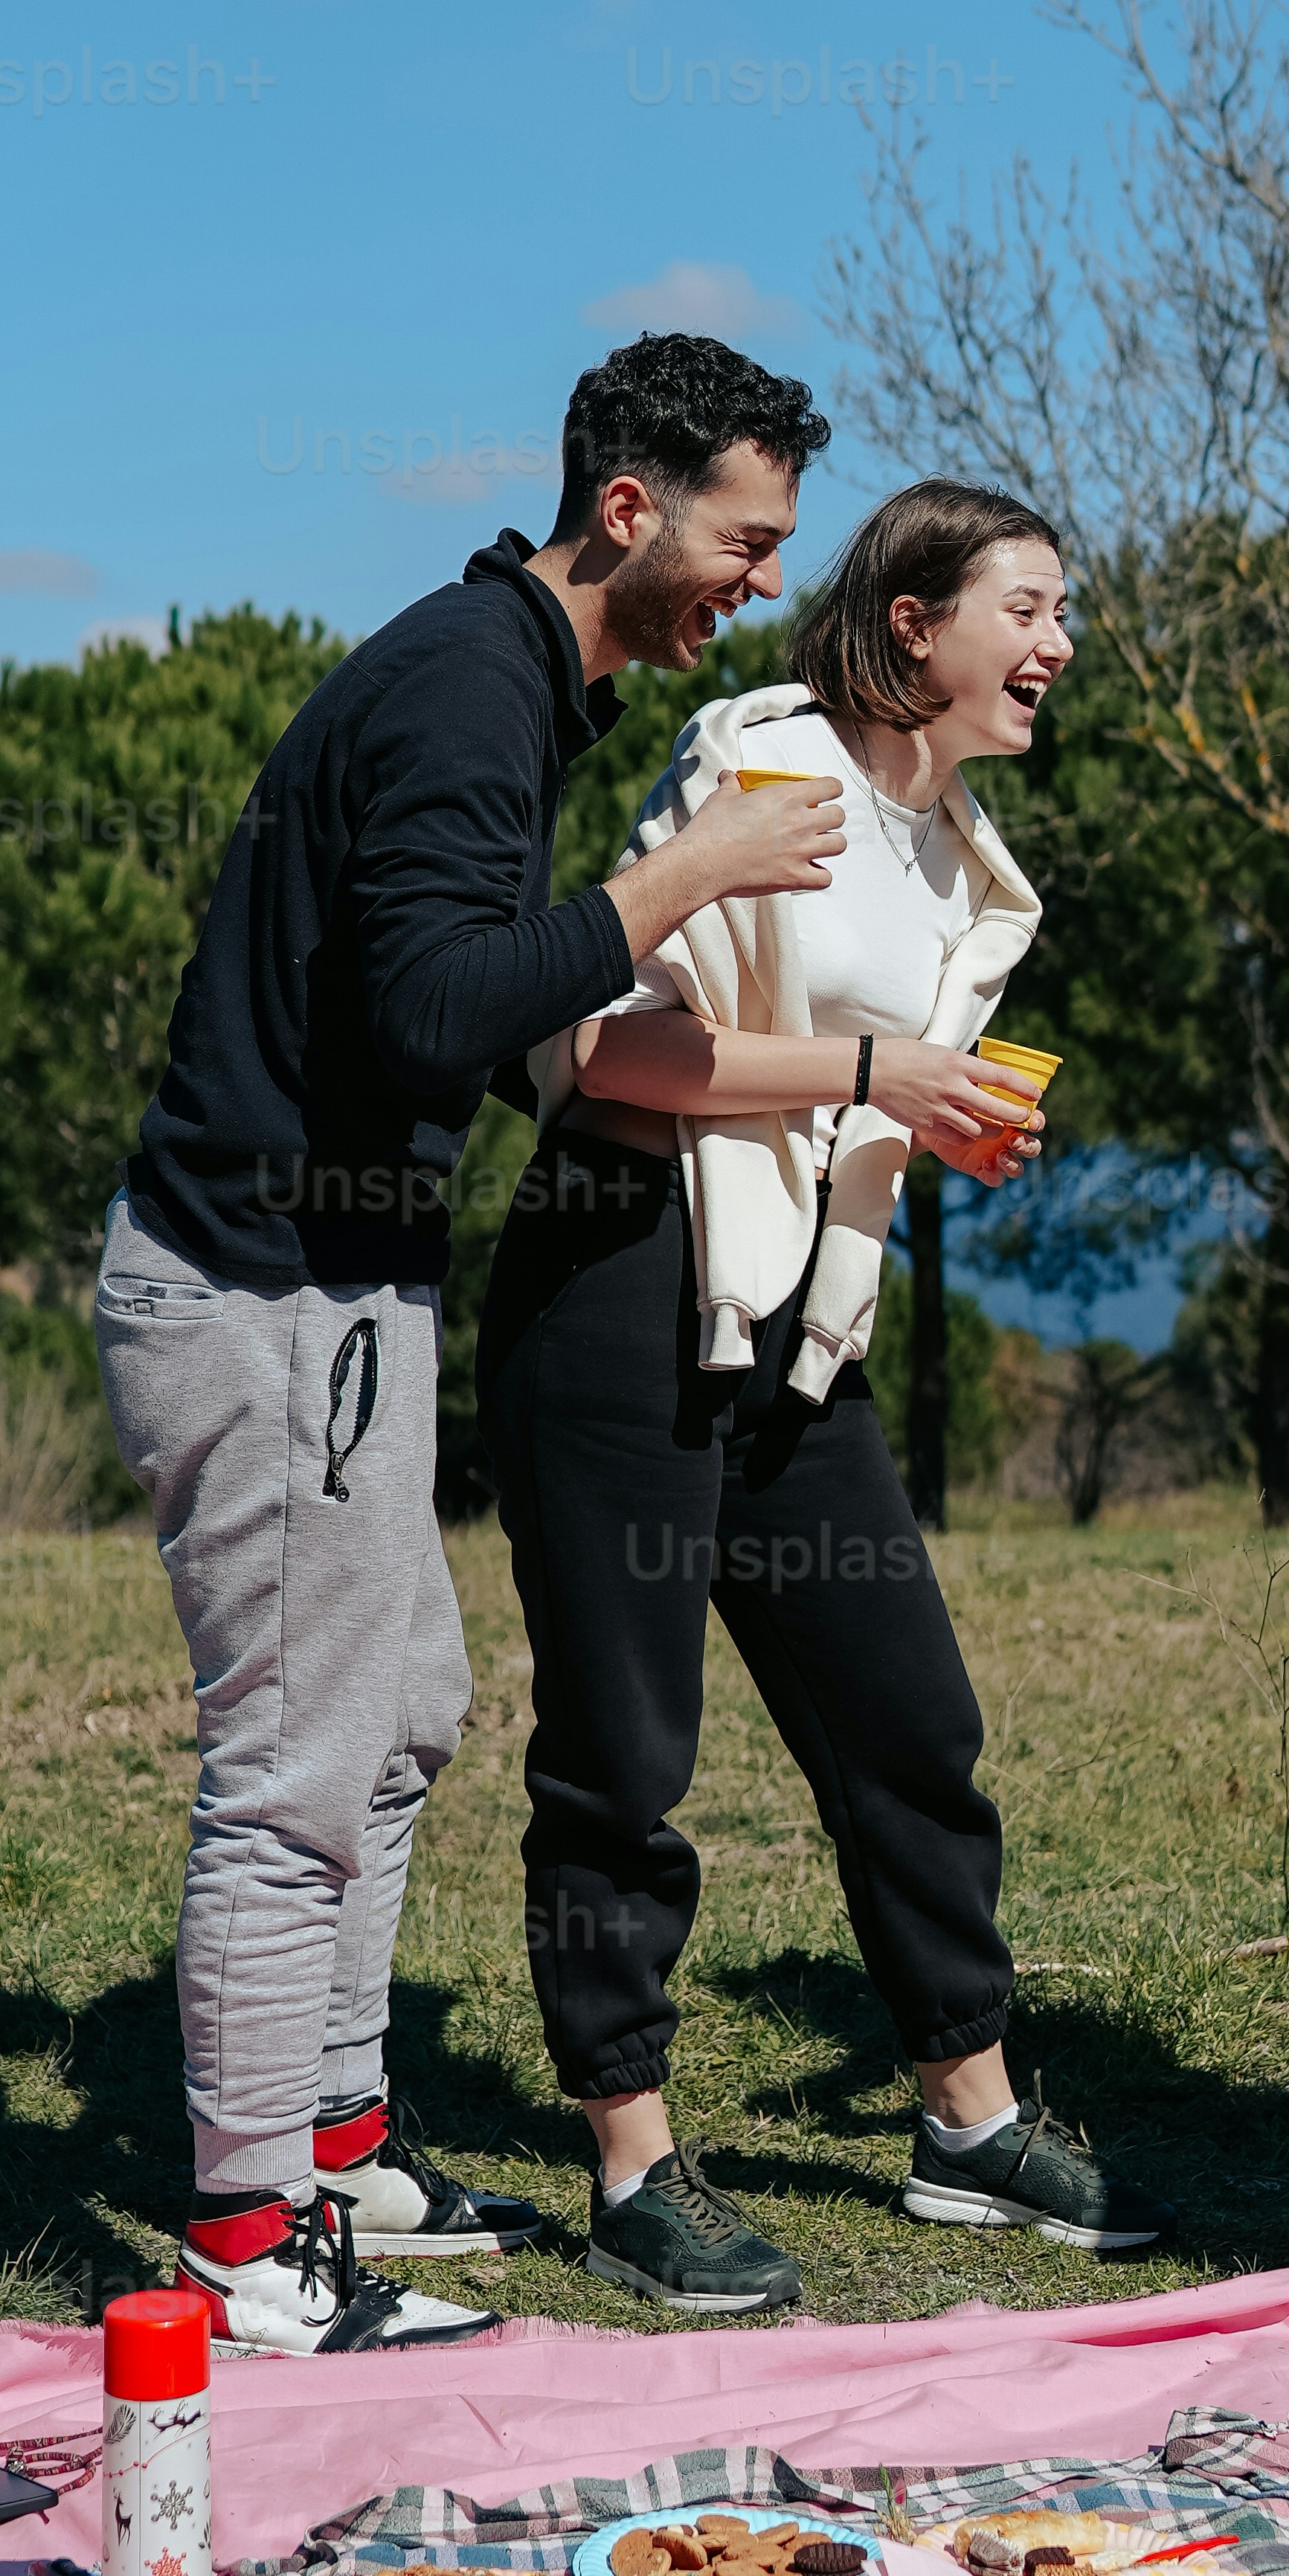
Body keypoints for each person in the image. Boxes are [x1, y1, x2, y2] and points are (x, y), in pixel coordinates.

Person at [97, 331, 845, 2354]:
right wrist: (690, 871)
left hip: (340, 1281)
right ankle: (252, 2248)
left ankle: (340, 2144)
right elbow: (439, 1013)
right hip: (264, 1288)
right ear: (631, 508)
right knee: (300, 1766)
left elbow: (476, 1021)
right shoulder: (464, 686)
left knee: (404, 1699)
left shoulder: (509, 682)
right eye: (746, 541)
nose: (760, 581)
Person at [477, 480, 1164, 2313]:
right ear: (913, 621)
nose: (1057, 642)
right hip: (626, 1284)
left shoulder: (958, 851)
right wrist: (875, 1068)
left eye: (1062, 610)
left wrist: (917, 1111)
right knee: (624, 1757)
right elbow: (586, 1050)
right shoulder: (760, 761)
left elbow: (860, 1095)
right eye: (1027, 605)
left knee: (907, 1720)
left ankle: (965, 2113)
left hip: (797, 1325)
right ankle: (629, 2157)